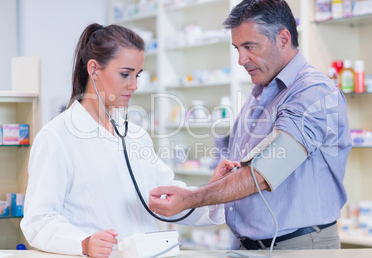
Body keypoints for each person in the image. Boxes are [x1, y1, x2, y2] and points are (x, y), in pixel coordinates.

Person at [149, 0, 352, 251]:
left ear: (283, 38)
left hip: (297, 246)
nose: (241, 59)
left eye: (250, 47)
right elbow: (242, 168)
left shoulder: (314, 92)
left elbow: (263, 173)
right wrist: (217, 186)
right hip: (248, 245)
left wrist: (191, 199)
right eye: (237, 48)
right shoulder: (261, 92)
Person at [20, 23, 238, 258]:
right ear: (94, 69)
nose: (134, 85)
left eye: (137, 75)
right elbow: (38, 220)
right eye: (125, 74)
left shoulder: (136, 136)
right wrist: (82, 243)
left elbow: (167, 199)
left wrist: (213, 191)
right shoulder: (57, 137)